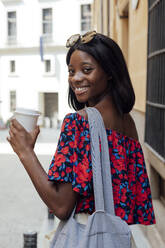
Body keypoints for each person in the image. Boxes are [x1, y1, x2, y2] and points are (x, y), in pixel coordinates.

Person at [8, 31, 155, 227]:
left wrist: (25, 152)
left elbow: (61, 206)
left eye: (86, 70)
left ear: (109, 72)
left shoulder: (79, 122)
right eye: (71, 71)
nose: (76, 78)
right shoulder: (128, 123)